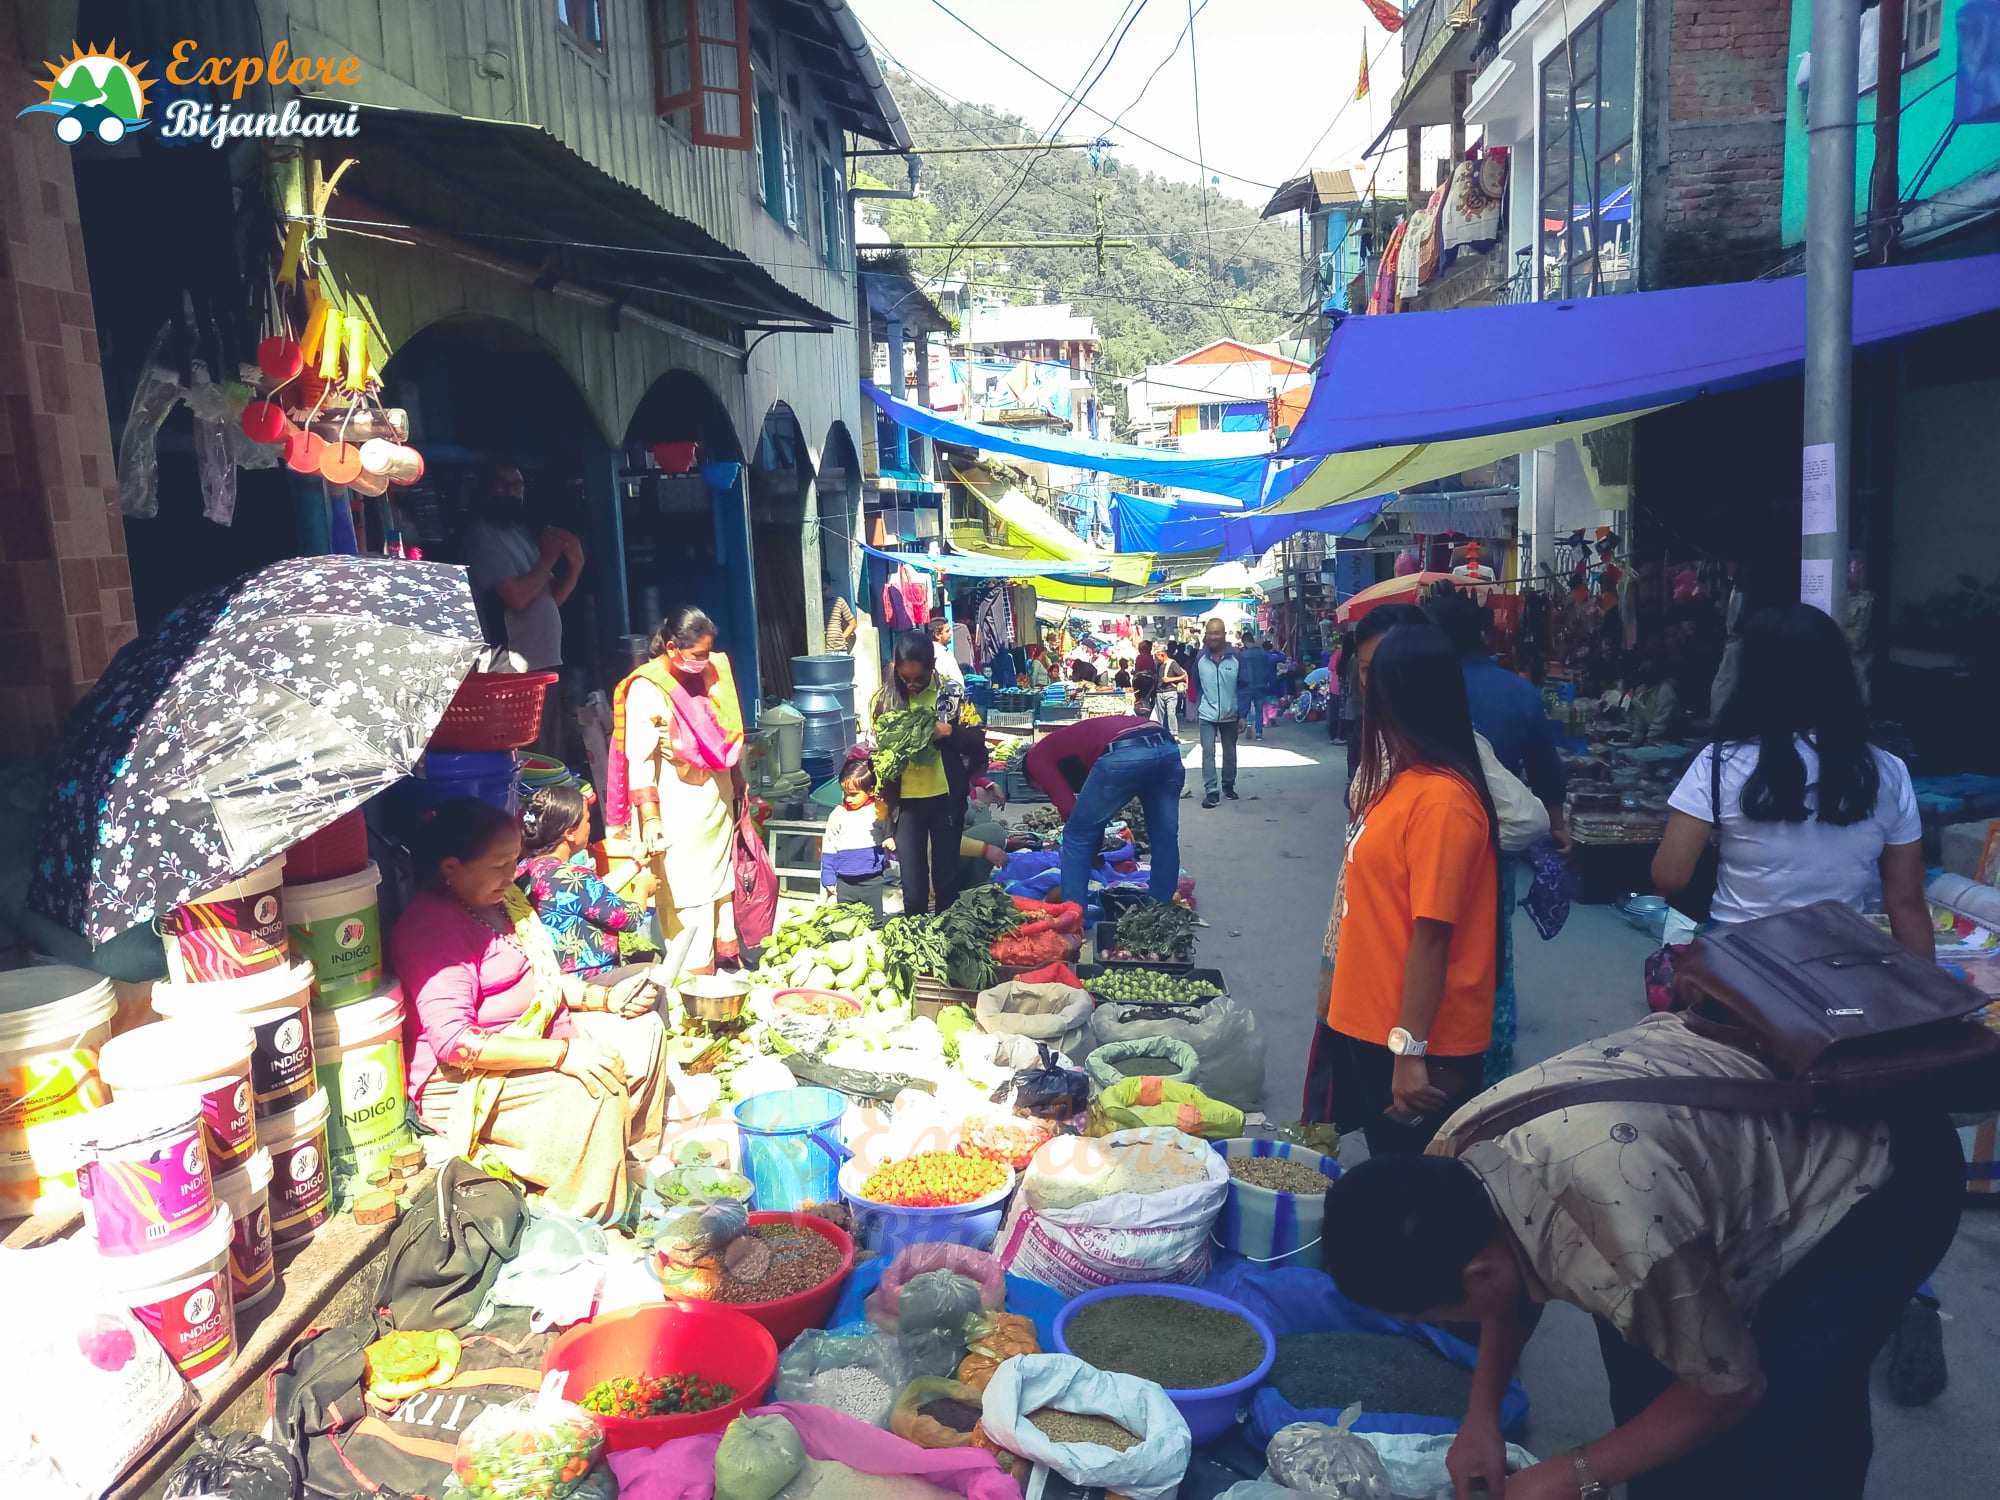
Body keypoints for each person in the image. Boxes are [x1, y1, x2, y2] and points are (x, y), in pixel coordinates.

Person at [1320, 1013, 1965, 1500]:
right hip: (1708, 1165)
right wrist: (1480, 1418)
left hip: (1879, 1175)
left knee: (1792, 1406)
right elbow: (1505, 1282)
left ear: (1474, 1277)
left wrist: (1574, 1474)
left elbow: (1731, 1389)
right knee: (1651, 1376)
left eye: (1439, 1313)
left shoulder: (1631, 1248)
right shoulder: (1450, 1157)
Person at [1651, 601, 1944, 1408]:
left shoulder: (1721, 766)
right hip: (1850, 991)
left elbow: (1670, 876)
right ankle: (1891, 1289)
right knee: (1855, 1144)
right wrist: (1920, 1010)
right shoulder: (1883, 771)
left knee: (1741, 1139)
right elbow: (1908, 901)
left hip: (1745, 989)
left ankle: (1743, 1295)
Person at [389, 798, 668, 1223]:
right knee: (597, 1087)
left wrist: (605, 999)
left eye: (514, 861)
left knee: (644, 1031)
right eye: (500, 865)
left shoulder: (501, 905)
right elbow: (456, 1044)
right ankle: (584, 1214)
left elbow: (542, 979)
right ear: (452, 869)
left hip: (535, 1041)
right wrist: (563, 1056)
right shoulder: (432, 928)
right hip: (466, 1079)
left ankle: (625, 1162)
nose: (512, 874)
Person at [1301, 621, 1500, 1157]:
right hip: (1370, 1023)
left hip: (1412, 1041)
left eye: (1375, 687)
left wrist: (1409, 1051)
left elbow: (1432, 937)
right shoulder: (1399, 782)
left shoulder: (1442, 802)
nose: (1366, 704)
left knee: (1408, 1189)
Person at [606, 606, 746, 978]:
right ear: (671, 648)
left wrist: (742, 786)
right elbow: (640, 760)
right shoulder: (647, 688)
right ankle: (694, 981)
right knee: (686, 898)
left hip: (716, 808)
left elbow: (729, 737)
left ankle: (723, 963)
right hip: (677, 815)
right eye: (696, 654)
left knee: (720, 889)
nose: (705, 661)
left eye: (707, 652)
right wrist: (650, 820)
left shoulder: (714, 671)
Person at [1425, 591, 1569, 856]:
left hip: (1434, 833)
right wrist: (1557, 825)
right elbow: (1544, 769)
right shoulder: (1521, 692)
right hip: (1501, 832)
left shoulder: (1422, 690)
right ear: (1485, 634)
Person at [463, 461, 583, 755]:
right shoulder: (480, 535)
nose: (511, 493)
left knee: (550, 747)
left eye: (517, 485)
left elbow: (551, 597)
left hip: (543, 662)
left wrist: (575, 566)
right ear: (484, 491)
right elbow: (516, 597)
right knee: (527, 752)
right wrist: (549, 558)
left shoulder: (519, 533)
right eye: (502, 485)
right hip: (512, 665)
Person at [1024, 714, 1184, 908]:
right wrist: (1094, 848)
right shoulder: (1069, 747)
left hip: (1126, 751)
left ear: (1032, 779)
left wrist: (1088, 853)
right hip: (1167, 746)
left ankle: (1074, 917)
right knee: (1164, 836)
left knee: (1076, 836)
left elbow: (1070, 810)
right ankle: (1161, 909)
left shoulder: (1036, 758)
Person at [516, 784, 660, 978]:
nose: (590, 826)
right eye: (587, 820)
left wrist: (636, 864)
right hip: (587, 979)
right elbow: (629, 920)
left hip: (547, 976)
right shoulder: (575, 878)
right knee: (657, 968)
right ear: (569, 833)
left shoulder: (525, 869)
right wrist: (643, 888)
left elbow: (592, 896)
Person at [872, 628, 969, 915]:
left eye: (920, 678)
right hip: (906, 805)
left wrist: (949, 731)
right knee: (912, 888)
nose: (912, 684)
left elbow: (975, 741)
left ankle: (947, 942)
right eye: (905, 678)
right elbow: (876, 754)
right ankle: (916, 943)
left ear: (932, 667)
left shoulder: (950, 694)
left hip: (946, 801)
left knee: (946, 882)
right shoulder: (883, 701)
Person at [1190, 617, 1247, 808]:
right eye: (1210, 633)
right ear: (1206, 634)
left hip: (1230, 714)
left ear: (1224, 634)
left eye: (1217, 633)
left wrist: (1243, 714)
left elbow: (1244, 686)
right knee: (1208, 752)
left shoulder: (1236, 657)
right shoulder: (1200, 658)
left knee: (1229, 753)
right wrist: (1201, 703)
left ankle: (1228, 785)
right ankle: (1211, 791)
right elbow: (1196, 683)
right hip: (1207, 714)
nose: (1213, 637)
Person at [1237, 627, 1278, 742]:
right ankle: (1259, 732)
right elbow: (1268, 669)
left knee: (1247, 707)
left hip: (1247, 685)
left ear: (1245, 642)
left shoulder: (1243, 655)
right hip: (1261, 685)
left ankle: (1249, 723)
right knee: (1259, 709)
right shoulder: (1263, 654)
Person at [1152, 643, 1187, 740]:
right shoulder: (1158, 665)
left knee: (1171, 713)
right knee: (1161, 715)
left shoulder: (1172, 663)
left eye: (1157, 656)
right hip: (1160, 692)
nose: (1156, 658)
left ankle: (1174, 733)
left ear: (1163, 654)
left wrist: (1170, 680)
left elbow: (1183, 676)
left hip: (1170, 692)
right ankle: (1164, 732)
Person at [823, 576, 858, 654]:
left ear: (830, 586)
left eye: (825, 589)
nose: (823, 593)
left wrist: (842, 637)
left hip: (839, 649)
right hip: (821, 651)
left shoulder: (839, 601)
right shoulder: (814, 606)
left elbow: (853, 624)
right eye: (820, 590)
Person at [928, 617, 964, 686]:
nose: (950, 634)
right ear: (937, 635)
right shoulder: (937, 653)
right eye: (947, 631)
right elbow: (942, 678)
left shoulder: (944, 651)